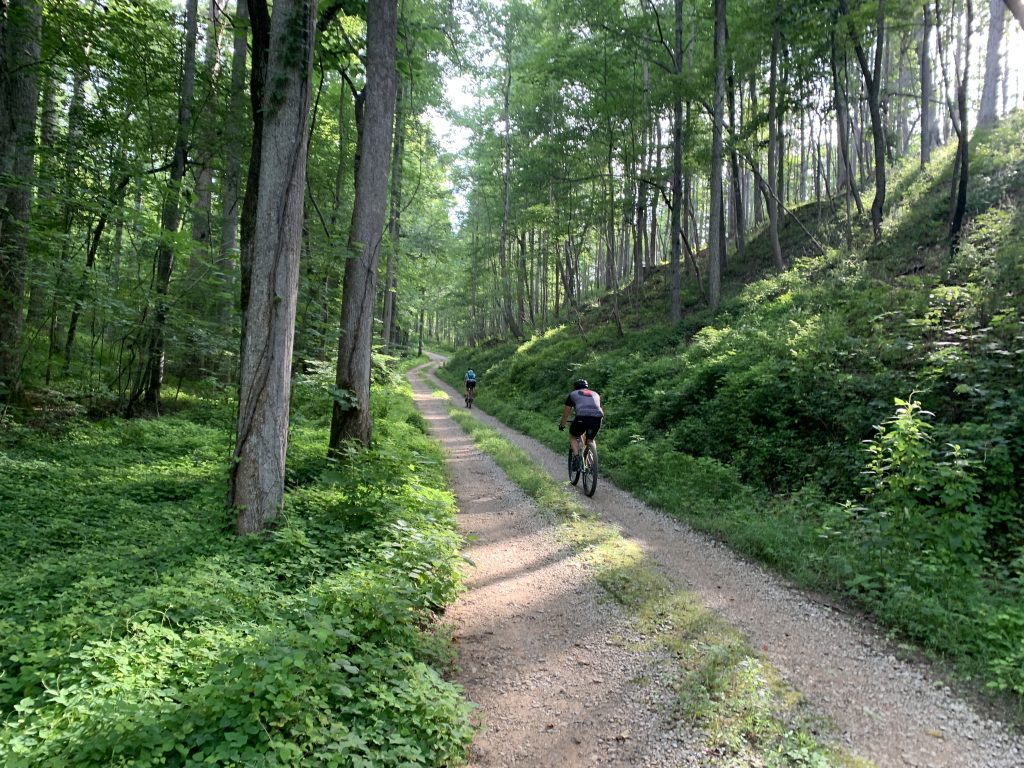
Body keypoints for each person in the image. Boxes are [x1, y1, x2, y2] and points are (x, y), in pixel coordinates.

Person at [558, 378, 603, 468]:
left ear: (575, 387)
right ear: (587, 387)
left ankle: (577, 456)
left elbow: (566, 414)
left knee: (573, 436)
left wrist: (562, 425)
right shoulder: (595, 394)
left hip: (581, 418)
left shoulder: (573, 394)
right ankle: (592, 461)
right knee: (590, 439)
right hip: (598, 418)